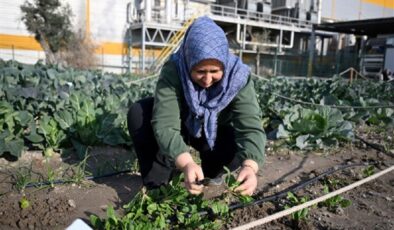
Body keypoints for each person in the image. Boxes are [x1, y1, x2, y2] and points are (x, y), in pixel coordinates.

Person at [127, 16, 266, 196]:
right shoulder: (175, 69)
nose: (207, 79)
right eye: (200, 71)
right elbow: (165, 124)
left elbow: (251, 126)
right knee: (139, 113)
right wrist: (186, 162)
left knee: (232, 143)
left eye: (215, 72)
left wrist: (250, 166)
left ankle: (210, 172)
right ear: (189, 62)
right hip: (182, 124)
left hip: (215, 131)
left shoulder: (237, 77)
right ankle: (159, 186)